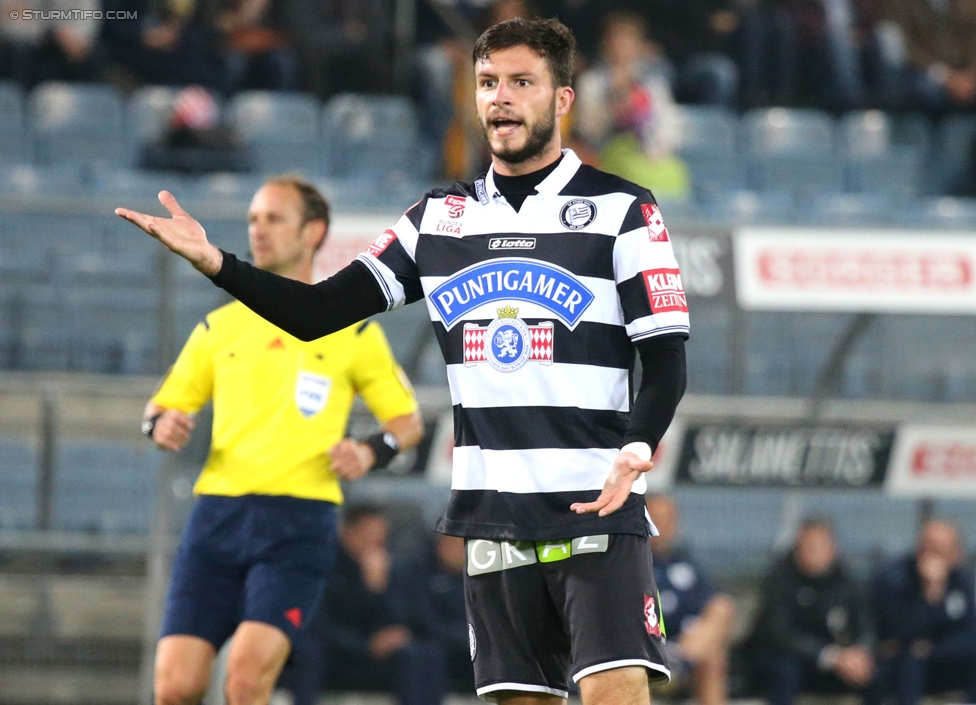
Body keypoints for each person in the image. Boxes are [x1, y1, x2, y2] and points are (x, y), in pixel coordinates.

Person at [117, 16, 689, 705]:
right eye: (487, 83)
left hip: (597, 504)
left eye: (520, 82)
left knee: (616, 692)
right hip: (493, 515)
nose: (500, 98)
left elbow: (664, 354)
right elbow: (317, 310)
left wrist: (636, 444)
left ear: (562, 99)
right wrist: (218, 263)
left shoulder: (621, 209)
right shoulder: (438, 218)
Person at [139, 175, 424, 705]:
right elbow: (162, 407)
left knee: (245, 682)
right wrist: (161, 425)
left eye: (274, 219)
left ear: (313, 231)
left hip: (298, 523)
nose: (258, 230)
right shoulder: (220, 326)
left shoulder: (354, 330)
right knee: (175, 686)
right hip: (217, 518)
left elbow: (407, 421)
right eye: (252, 219)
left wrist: (370, 449)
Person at [308, 503, 446, 705]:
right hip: (341, 653)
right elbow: (322, 625)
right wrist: (365, 645)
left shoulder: (393, 567)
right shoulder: (326, 568)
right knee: (311, 652)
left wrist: (378, 588)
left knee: (424, 655)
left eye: (379, 538)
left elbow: (406, 617)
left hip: (384, 654)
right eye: (366, 536)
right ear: (347, 533)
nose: (373, 544)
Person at [747, 517, 875, 705]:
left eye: (818, 547)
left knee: (874, 672)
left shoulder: (847, 580)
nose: (812, 553)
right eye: (806, 547)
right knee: (784, 670)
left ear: (833, 548)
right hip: (790, 659)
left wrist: (860, 653)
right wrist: (830, 656)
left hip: (838, 662)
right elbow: (780, 634)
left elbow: (866, 624)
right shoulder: (779, 578)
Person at [572, 10, 691, 202]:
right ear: (605, 45)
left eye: (627, 42)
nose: (620, 48)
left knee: (676, 172)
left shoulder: (653, 84)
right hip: (604, 156)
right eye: (615, 41)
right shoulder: (591, 82)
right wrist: (613, 98)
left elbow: (669, 130)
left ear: (638, 47)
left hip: (647, 154)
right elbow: (588, 131)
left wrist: (651, 145)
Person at [869, 519, 976, 705]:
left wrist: (934, 648)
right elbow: (900, 633)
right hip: (904, 664)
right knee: (910, 662)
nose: (931, 554)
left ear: (956, 552)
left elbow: (968, 632)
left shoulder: (962, 581)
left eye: (940, 548)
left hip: (946, 658)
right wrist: (930, 593)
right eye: (927, 546)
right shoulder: (896, 577)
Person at [645, 494, 735, 705]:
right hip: (646, 645)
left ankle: (679, 661)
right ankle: (676, 663)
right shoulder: (630, 561)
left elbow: (707, 605)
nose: (663, 526)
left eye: (669, 519)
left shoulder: (684, 561)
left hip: (684, 647)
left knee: (722, 611)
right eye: (656, 519)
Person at [392, 533, 474, 698]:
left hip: (472, 647)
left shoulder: (486, 576)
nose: (461, 551)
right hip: (436, 645)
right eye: (455, 544)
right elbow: (424, 621)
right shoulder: (418, 571)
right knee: (424, 655)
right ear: (440, 544)